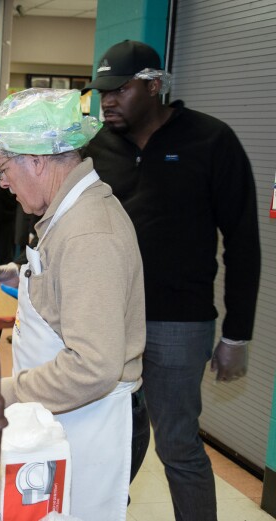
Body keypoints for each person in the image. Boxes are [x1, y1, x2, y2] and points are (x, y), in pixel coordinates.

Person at [83, 40, 261, 521]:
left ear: (155, 85)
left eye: (120, 90)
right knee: (108, 441)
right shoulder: (95, 146)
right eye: (103, 92)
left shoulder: (210, 140)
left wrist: (237, 334)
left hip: (179, 323)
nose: (109, 102)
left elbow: (243, 240)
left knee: (179, 446)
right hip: (107, 320)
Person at [0, 88, 145, 520]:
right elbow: (70, 283)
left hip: (89, 420)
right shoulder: (67, 211)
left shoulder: (89, 232)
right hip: (64, 415)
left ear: (37, 158)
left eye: (4, 168)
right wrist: (25, 275)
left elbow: (93, 366)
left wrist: (7, 391)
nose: (3, 181)